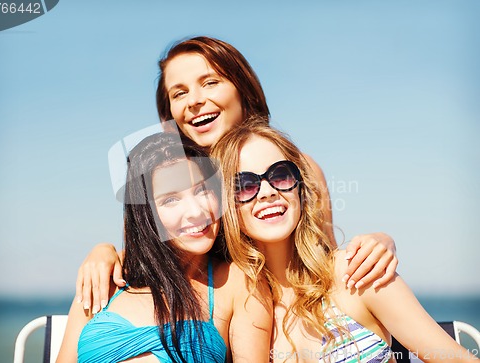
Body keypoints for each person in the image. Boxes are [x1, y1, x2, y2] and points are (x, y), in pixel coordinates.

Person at [76, 36, 398, 314]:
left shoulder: (300, 168)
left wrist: (381, 242)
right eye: (179, 93)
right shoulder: (160, 183)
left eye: (210, 82)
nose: (195, 101)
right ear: (168, 115)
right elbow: (144, 258)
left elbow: (324, 258)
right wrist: (104, 252)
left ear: (242, 90)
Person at [211, 118, 477, 363]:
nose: (268, 192)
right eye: (244, 185)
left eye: (280, 175)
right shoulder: (236, 308)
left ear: (300, 186)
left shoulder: (356, 273)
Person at [56, 132, 272, 363]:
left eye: (202, 190)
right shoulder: (104, 278)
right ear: (145, 215)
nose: (196, 212)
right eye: (171, 199)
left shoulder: (237, 282)